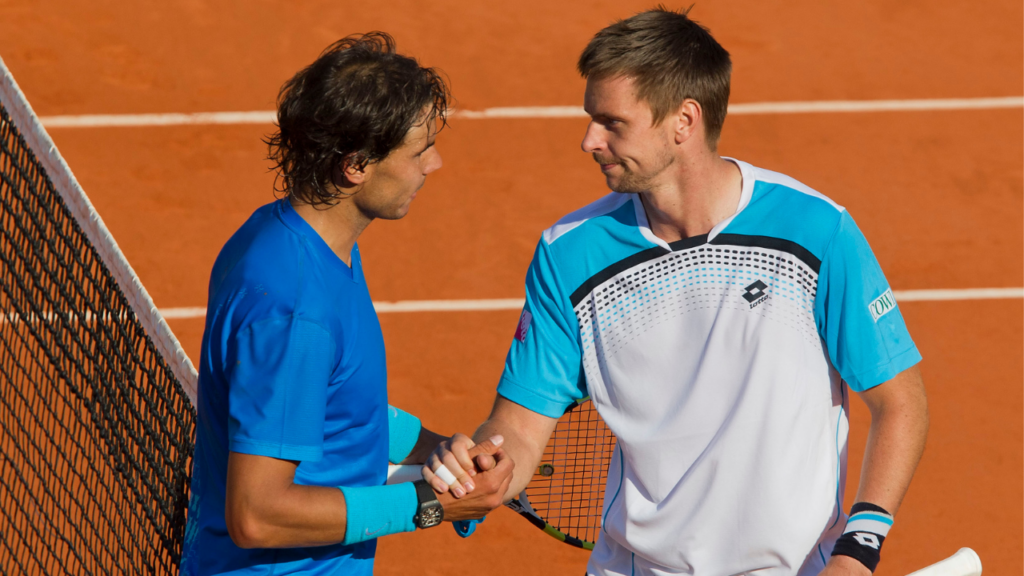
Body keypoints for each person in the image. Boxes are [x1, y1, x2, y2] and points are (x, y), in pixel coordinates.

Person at [426, 8, 929, 576]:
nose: (589, 140)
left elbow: (899, 400)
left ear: (683, 121)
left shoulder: (814, 231)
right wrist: (493, 465)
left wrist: (859, 549)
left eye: (612, 122)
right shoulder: (569, 255)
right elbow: (517, 426)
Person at [179, 33, 512, 576]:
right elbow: (257, 515)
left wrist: (441, 454)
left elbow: (330, 407)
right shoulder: (295, 313)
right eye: (419, 149)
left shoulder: (283, 238)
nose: (434, 164)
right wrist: (429, 505)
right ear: (356, 166)